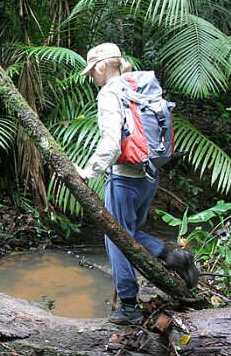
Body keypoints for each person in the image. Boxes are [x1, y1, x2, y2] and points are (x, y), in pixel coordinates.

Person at [76, 43, 199, 325]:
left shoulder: (110, 93)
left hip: (124, 179)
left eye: (93, 70)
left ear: (103, 66)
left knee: (117, 240)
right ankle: (174, 257)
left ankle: (129, 307)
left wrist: (88, 171)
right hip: (149, 176)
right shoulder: (137, 86)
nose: (92, 77)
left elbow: (110, 143)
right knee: (130, 232)